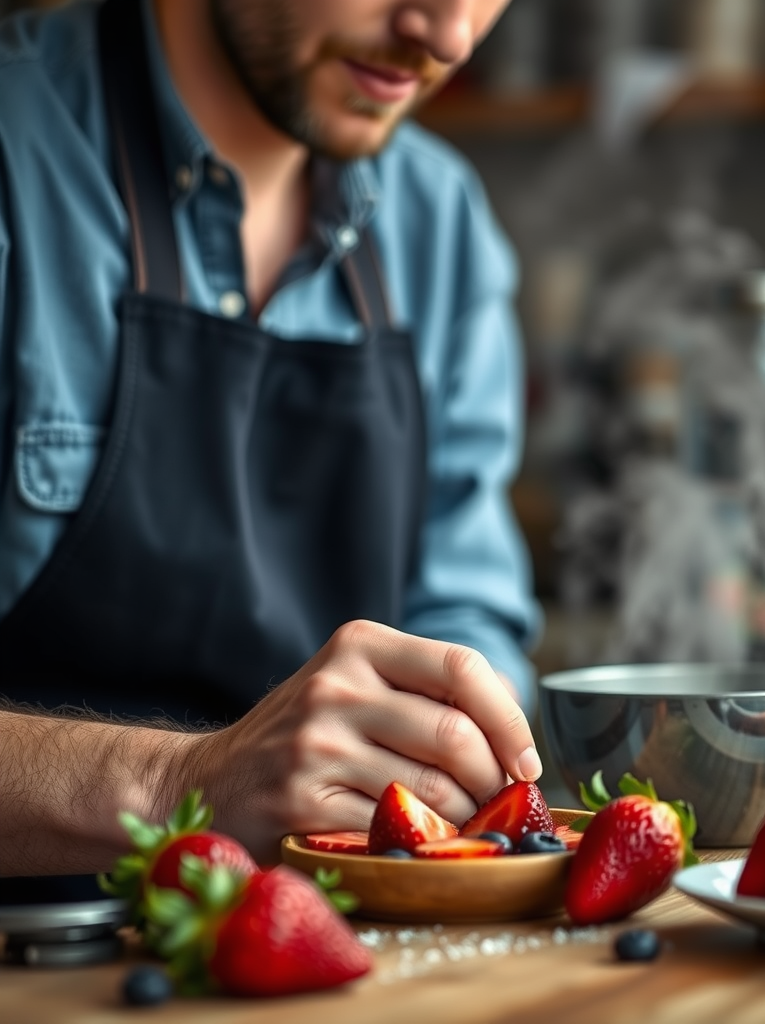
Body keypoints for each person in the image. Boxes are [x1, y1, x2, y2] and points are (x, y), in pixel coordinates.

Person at [0, 0, 544, 879]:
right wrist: (178, 785)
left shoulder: (439, 226)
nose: (448, 36)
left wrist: (461, 742)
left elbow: (466, 621)